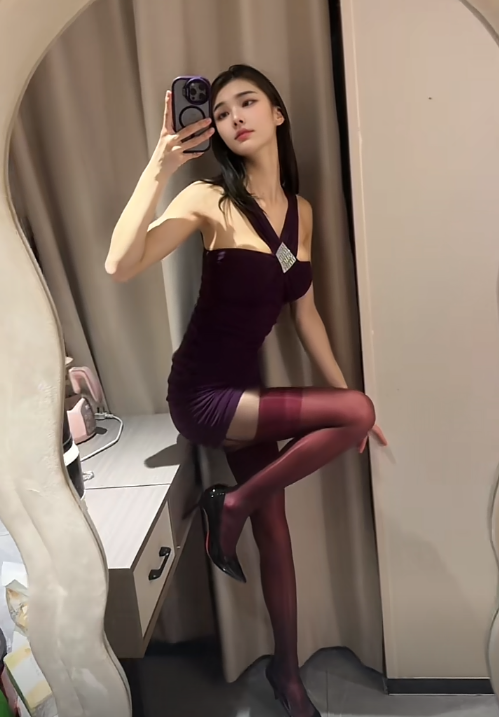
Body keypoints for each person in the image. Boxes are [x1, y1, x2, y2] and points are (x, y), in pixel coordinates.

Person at [106, 64, 387, 717]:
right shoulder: (208, 199)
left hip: (248, 393)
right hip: (202, 394)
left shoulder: (301, 213)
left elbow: (305, 314)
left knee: (278, 533)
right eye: (222, 110)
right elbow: (119, 265)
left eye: (247, 102)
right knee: (355, 412)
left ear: (277, 113)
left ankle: (287, 674)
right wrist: (160, 164)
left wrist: (342, 395)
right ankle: (228, 508)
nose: (234, 117)